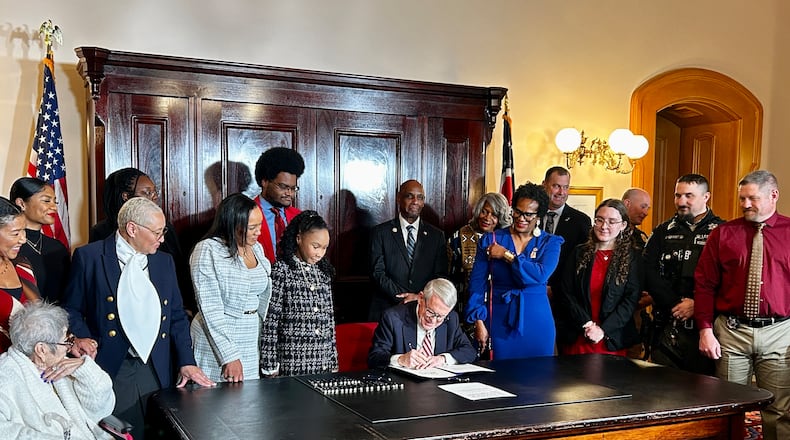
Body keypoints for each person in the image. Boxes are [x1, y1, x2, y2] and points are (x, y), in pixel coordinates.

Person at [63, 197, 214, 440]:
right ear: (132, 229)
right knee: (121, 431)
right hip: (113, 363)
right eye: (156, 232)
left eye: (163, 231)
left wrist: (187, 360)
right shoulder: (89, 257)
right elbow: (71, 308)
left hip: (156, 364)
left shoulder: (164, 261)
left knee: (160, 431)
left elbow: (176, 316)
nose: (162, 238)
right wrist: (83, 338)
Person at [696, 170, 790, 440]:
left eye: (752, 198)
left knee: (780, 410)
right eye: (742, 199)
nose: (745, 205)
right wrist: (705, 329)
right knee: (728, 406)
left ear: (774, 195)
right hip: (732, 331)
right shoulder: (724, 234)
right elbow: (704, 284)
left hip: (780, 333)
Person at [464, 183, 564, 359]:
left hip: (537, 319)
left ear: (539, 216)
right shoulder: (492, 239)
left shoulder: (550, 243)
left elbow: (539, 275)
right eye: (517, 211)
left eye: (528, 214)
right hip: (500, 318)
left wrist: (506, 255)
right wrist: (478, 320)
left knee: (538, 379)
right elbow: (477, 285)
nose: (521, 218)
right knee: (499, 378)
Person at [644, 174, 723, 374]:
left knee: (704, 392)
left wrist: (699, 304)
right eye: (677, 196)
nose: (681, 202)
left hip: (707, 329)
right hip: (666, 324)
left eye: (689, 196)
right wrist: (676, 304)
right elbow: (648, 271)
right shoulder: (663, 231)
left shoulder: (723, 231)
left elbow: (730, 278)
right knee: (663, 391)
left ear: (706, 197)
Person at [0, 302, 114, 439]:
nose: (69, 347)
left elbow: (103, 409)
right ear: (41, 350)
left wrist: (86, 371)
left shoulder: (64, 364)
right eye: (66, 341)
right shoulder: (5, 377)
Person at [190, 194, 272, 383]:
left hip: (251, 332)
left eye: (259, 225)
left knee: (248, 401)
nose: (258, 232)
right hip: (218, 335)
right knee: (215, 403)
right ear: (232, 224)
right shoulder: (208, 250)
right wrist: (229, 355)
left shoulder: (256, 248)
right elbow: (210, 308)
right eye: (252, 227)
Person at [89, 167, 194, 314]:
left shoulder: (165, 228)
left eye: (154, 192)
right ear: (126, 196)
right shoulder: (102, 232)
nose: (154, 196)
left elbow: (178, 271)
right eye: (147, 192)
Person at [556, 199, 641, 356]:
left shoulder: (632, 257)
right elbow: (565, 292)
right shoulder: (578, 253)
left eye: (612, 221)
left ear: (623, 225)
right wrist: (587, 324)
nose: (604, 226)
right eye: (599, 220)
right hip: (578, 333)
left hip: (611, 337)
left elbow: (630, 300)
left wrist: (602, 330)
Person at [260, 210, 338, 376]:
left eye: (324, 248)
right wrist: (269, 363)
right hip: (292, 362)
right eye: (315, 246)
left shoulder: (323, 273)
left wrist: (333, 360)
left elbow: (329, 321)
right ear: (299, 238)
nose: (320, 253)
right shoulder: (282, 270)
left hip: (322, 361)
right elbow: (271, 321)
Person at [369, 179, 448, 322]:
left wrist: (419, 297)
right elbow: (378, 273)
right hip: (387, 308)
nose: (415, 201)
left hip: (424, 310)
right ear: (399, 198)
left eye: (420, 197)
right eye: (409, 196)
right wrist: (404, 297)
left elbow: (440, 275)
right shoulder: (380, 232)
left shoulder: (437, 236)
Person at [368, 278, 476, 369]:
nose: (433, 320)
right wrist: (400, 359)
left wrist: (442, 359)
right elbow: (374, 357)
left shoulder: (451, 319)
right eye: (430, 312)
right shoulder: (393, 318)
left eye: (440, 317)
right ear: (420, 298)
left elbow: (469, 351)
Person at [447, 192, 511, 315]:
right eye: (484, 211)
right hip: (463, 305)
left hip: (498, 305)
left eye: (494, 215)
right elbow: (449, 276)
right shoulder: (459, 237)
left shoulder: (506, 240)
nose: (487, 218)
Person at [10, 177, 71, 302]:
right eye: (46, 201)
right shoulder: (8, 248)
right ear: (21, 203)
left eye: (55, 202)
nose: (54, 207)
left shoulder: (58, 248)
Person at [541, 166, 592, 301]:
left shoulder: (581, 221)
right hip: (530, 291)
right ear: (544, 185)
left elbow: (581, 263)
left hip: (563, 297)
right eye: (556, 186)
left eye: (565, 187)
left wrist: (556, 289)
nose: (561, 192)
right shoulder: (531, 216)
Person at [0, 197, 40, 353]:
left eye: (24, 230)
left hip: (31, 366)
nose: (23, 239)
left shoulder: (22, 265)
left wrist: (71, 341)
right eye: (16, 233)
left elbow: (39, 317)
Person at [253, 147, 306, 263]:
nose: (289, 193)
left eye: (293, 188)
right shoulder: (245, 213)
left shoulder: (299, 217)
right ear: (265, 182)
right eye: (283, 187)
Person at [620, 187, 652, 359]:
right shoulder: (609, 234)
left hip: (636, 311)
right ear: (627, 203)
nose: (646, 212)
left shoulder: (641, 238)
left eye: (648, 208)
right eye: (643, 206)